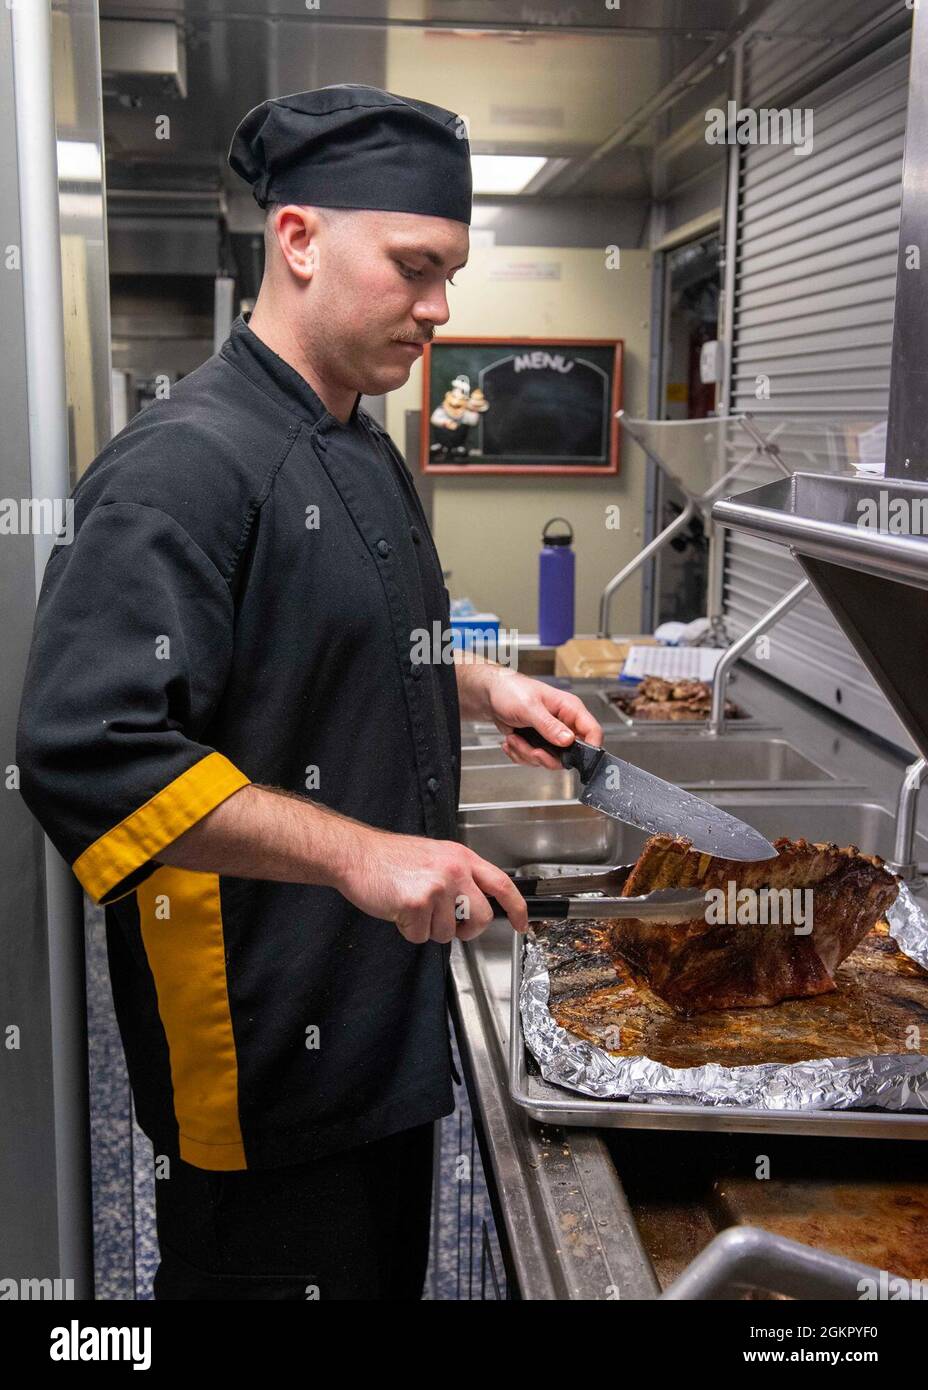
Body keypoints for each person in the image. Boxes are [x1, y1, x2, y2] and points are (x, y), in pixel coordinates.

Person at [16, 84, 602, 1300]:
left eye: (449, 270)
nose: (440, 309)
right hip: (265, 1042)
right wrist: (358, 856)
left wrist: (480, 682)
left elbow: (327, 638)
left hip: (377, 1009)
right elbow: (87, 747)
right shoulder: (183, 467)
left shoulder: (355, 436)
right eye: (414, 267)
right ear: (297, 240)